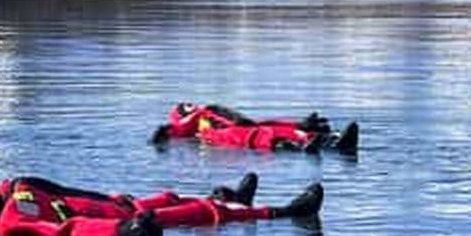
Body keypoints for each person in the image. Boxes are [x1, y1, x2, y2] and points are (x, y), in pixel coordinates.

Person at [0, 172, 324, 236]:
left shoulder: (10, 194)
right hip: (125, 220)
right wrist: (123, 235)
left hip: (126, 205)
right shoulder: (11, 221)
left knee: (173, 196)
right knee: (205, 213)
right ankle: (285, 213)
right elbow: (69, 232)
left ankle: (233, 197)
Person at [151, 102, 359, 155]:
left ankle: (333, 140)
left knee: (274, 131)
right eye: (185, 107)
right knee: (271, 138)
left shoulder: (207, 117)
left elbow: (252, 122)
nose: (190, 105)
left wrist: (301, 124)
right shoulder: (198, 123)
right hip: (239, 137)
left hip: (248, 132)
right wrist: (162, 132)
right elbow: (169, 133)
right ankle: (320, 145)